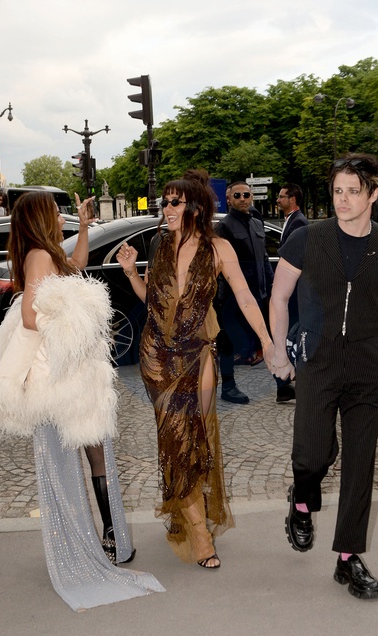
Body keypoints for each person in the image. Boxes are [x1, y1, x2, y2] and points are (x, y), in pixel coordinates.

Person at [0, 191, 164, 610]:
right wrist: (77, 326)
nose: (61, 217)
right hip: (58, 376)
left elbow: (78, 265)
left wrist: (85, 227)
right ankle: (91, 540)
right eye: (56, 213)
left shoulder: (48, 253)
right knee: (71, 454)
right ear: (40, 218)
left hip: (76, 374)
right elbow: (31, 316)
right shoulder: (38, 256)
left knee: (95, 448)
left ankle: (111, 537)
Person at [269, 153, 378, 600]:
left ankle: (349, 558)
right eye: (337, 191)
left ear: (373, 194)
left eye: (353, 191)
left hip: (367, 365)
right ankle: (302, 500)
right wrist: (278, 350)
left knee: (360, 462)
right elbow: (279, 297)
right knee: (313, 453)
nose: (343, 199)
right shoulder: (308, 239)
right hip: (318, 358)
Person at [117, 170, 274, 569]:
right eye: (164, 202)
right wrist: (132, 272)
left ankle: (191, 511)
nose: (167, 208)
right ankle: (200, 534)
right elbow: (152, 300)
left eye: (175, 202)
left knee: (199, 436)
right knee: (175, 437)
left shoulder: (218, 248)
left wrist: (268, 340)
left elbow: (245, 297)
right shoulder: (159, 244)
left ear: (196, 208)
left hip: (198, 351)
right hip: (157, 355)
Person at [216, 181, 296, 404]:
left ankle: (282, 385)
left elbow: (263, 258)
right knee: (228, 342)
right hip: (234, 297)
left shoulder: (256, 221)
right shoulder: (223, 227)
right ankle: (228, 387)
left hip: (260, 293)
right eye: (237, 195)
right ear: (229, 199)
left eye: (246, 195)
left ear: (251, 197)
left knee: (269, 338)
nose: (242, 198)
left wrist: (272, 286)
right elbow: (221, 266)